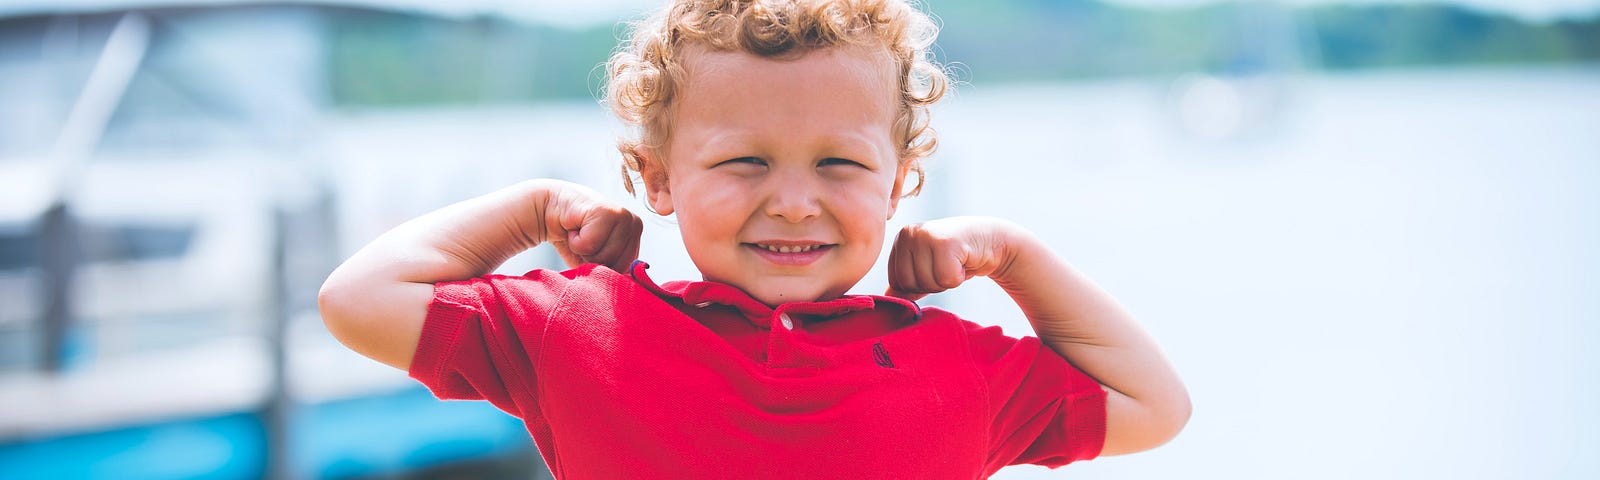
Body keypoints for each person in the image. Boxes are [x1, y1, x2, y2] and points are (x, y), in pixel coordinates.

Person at [318, 0, 1189, 478]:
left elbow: (1158, 410)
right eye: (744, 161)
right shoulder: (582, 328)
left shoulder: (958, 366)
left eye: (840, 165)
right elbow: (357, 301)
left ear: (898, 184)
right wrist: (531, 209)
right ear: (657, 177)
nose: (796, 203)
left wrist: (1013, 253)